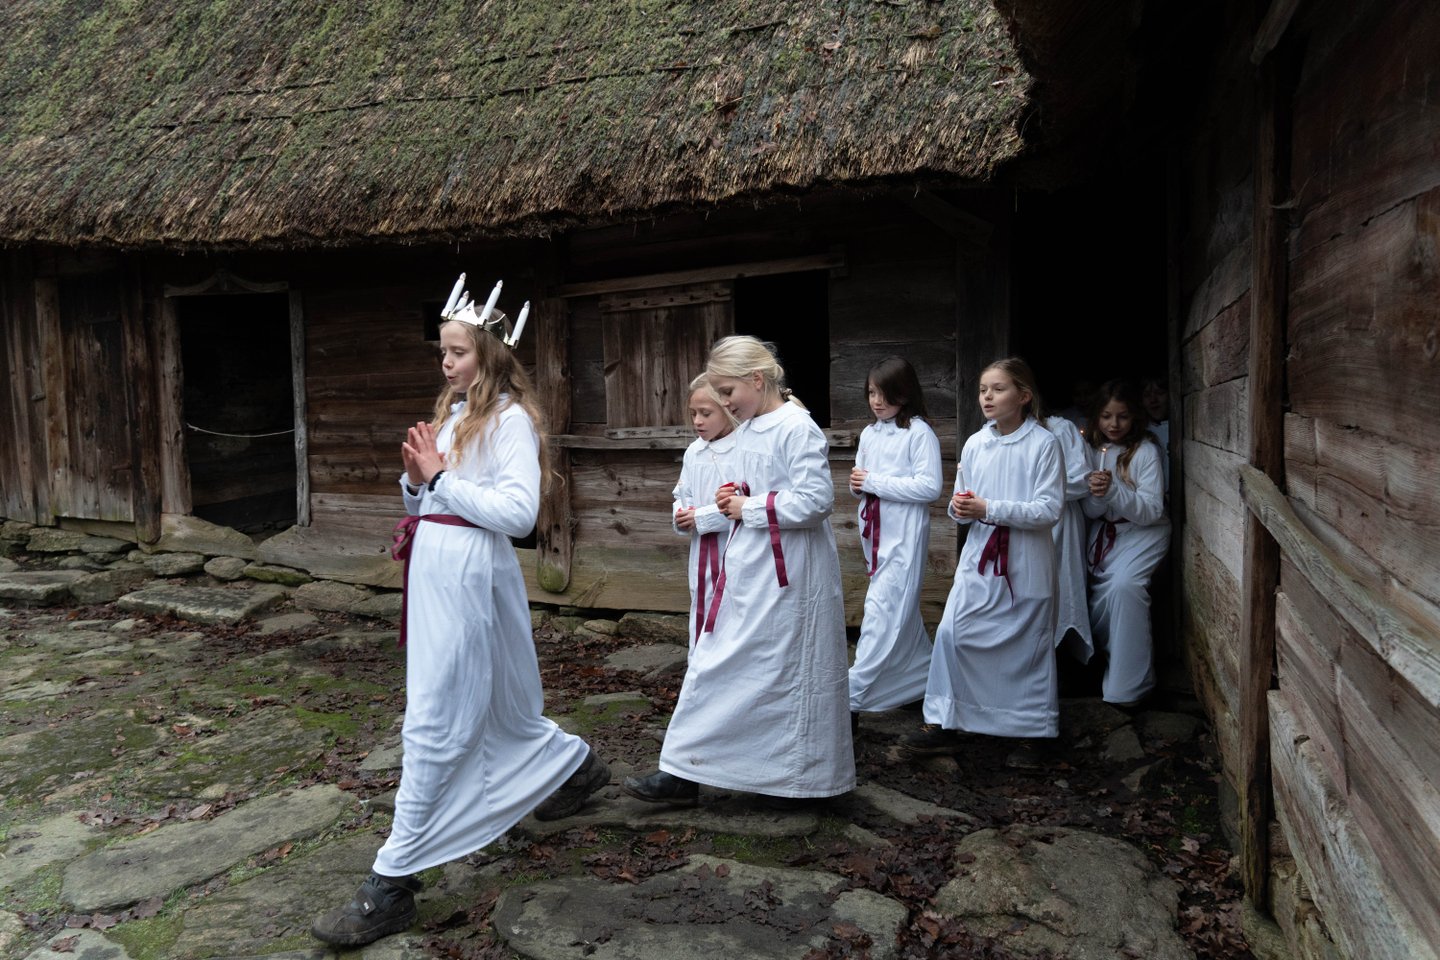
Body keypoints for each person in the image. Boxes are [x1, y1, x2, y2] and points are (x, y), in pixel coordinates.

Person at [312, 294, 608, 947]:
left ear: (491, 354)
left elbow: (518, 515)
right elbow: (427, 497)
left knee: (435, 716)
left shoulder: (510, 423)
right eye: (442, 351)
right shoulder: (451, 415)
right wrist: (417, 483)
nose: (445, 363)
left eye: (458, 351)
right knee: (502, 701)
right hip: (437, 567)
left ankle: (392, 883)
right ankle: (575, 766)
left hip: (472, 572)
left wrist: (440, 482)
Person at [623, 335, 855, 808]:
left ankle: (794, 777)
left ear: (756, 379)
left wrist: (748, 505)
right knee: (720, 661)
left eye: (728, 392)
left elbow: (817, 501)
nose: (725, 403)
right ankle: (686, 769)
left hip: (792, 572)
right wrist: (726, 505)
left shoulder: (796, 427)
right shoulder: (748, 430)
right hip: (745, 564)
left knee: (783, 668)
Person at [904, 357, 1063, 764]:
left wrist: (988, 507)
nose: (987, 397)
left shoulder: (1044, 444)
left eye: (998, 389)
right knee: (953, 633)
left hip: (1026, 559)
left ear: (1024, 396)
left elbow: (1048, 510)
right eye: (983, 390)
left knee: (1026, 642)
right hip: (981, 556)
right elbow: (961, 504)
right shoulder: (976, 443)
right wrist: (961, 507)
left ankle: (1030, 731)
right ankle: (943, 719)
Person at [847, 357, 944, 728]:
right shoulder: (870, 434)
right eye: (871, 392)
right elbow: (863, 481)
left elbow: (929, 486)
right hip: (876, 538)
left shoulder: (919, 434)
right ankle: (921, 678)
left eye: (885, 393)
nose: (876, 400)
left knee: (881, 613)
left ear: (904, 394)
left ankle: (851, 698)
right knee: (897, 613)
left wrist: (873, 482)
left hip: (903, 539)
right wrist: (859, 486)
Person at [1083, 380, 1170, 707]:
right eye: (1106, 416)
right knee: (1101, 597)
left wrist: (1114, 491)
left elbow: (1150, 511)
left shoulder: (1146, 451)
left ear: (1135, 417)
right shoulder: (1092, 451)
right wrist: (1095, 494)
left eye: (1122, 417)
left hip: (1144, 534)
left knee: (1125, 588)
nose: (1114, 425)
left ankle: (1130, 686)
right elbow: (1090, 512)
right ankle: (1105, 660)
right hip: (1108, 537)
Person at [673, 373, 739, 645]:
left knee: (731, 608)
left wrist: (701, 517)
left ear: (727, 409)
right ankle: (701, 665)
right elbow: (682, 492)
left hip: (732, 547)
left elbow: (742, 502)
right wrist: (681, 513)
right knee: (701, 602)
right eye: (693, 413)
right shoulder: (694, 452)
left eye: (706, 413)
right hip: (701, 552)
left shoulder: (740, 449)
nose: (698, 421)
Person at [1041, 411, 1095, 664]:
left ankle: (1065, 659)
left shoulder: (1060, 428)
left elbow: (1082, 479)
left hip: (1062, 520)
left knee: (1064, 585)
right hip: (1023, 520)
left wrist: (1040, 493)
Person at [1140, 374, 1171, 493]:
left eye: (1160, 393)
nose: (1153, 400)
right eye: (1147, 395)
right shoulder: (1139, 432)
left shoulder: (1182, 427)